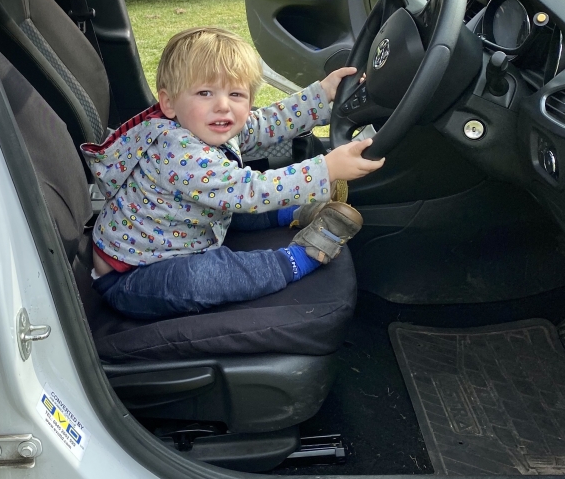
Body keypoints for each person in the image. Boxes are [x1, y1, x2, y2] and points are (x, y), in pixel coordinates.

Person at [80, 27, 384, 319]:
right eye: (204, 93)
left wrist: (323, 94)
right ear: (169, 103)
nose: (223, 106)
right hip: (134, 276)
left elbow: (266, 123)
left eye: (236, 94)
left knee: (224, 205)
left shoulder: (209, 125)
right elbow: (251, 191)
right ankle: (298, 258)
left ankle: (291, 213)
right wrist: (326, 168)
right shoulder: (180, 154)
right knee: (208, 276)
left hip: (182, 230)